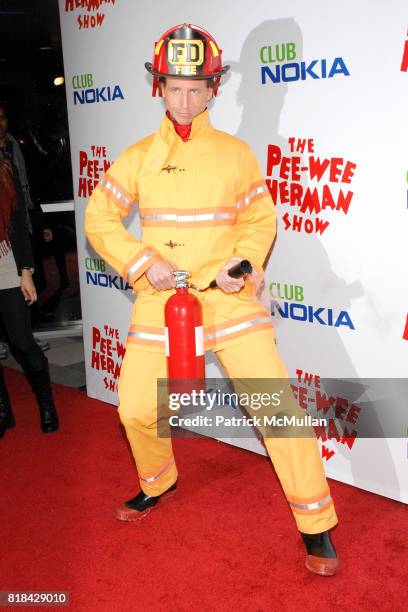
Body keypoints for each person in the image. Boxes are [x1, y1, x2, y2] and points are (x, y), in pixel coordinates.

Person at [85, 24, 339, 576]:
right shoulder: (138, 157)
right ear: (159, 86)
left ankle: (316, 524)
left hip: (229, 301)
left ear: (214, 88)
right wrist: (141, 262)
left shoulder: (236, 154)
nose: (185, 99)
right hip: (161, 299)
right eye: (175, 87)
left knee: (276, 407)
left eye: (196, 88)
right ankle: (159, 481)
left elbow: (259, 219)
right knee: (134, 407)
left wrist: (241, 265)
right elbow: (100, 218)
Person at [0, 158, 59, 437]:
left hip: (6, 262)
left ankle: (46, 403)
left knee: (21, 341)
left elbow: (18, 224)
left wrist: (26, 271)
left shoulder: (4, 170)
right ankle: (3, 410)